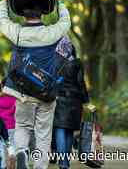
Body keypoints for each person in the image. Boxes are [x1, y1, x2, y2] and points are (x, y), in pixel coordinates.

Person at [0, 0, 71, 169]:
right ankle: (40, 166)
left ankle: (22, 151)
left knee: (22, 125)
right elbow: (66, 21)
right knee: (44, 133)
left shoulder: (18, 33)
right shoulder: (51, 33)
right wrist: (59, 0)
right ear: (42, 15)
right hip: (46, 91)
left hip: (23, 91)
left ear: (23, 16)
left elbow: (2, 20)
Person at [53, 36, 90, 169]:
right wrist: (86, 100)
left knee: (60, 128)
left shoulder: (54, 61)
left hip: (59, 99)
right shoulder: (77, 63)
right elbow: (81, 83)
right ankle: (65, 163)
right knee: (69, 130)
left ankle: (62, 163)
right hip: (75, 101)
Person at [0, 78, 16, 169]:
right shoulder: (15, 100)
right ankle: (12, 157)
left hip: (0, 128)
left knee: (2, 147)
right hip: (12, 126)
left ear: (2, 86)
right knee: (12, 144)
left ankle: (2, 165)